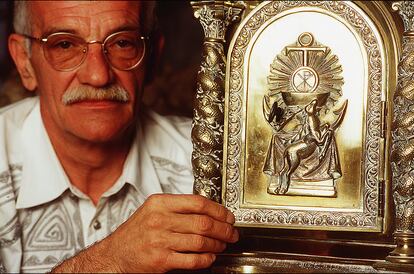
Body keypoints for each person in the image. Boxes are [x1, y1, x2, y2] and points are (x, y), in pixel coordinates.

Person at [0, 1, 239, 272]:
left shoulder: (222, 165)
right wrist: (111, 260)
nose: (98, 75)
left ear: (152, 57)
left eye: (122, 43)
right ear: (24, 62)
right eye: (64, 44)